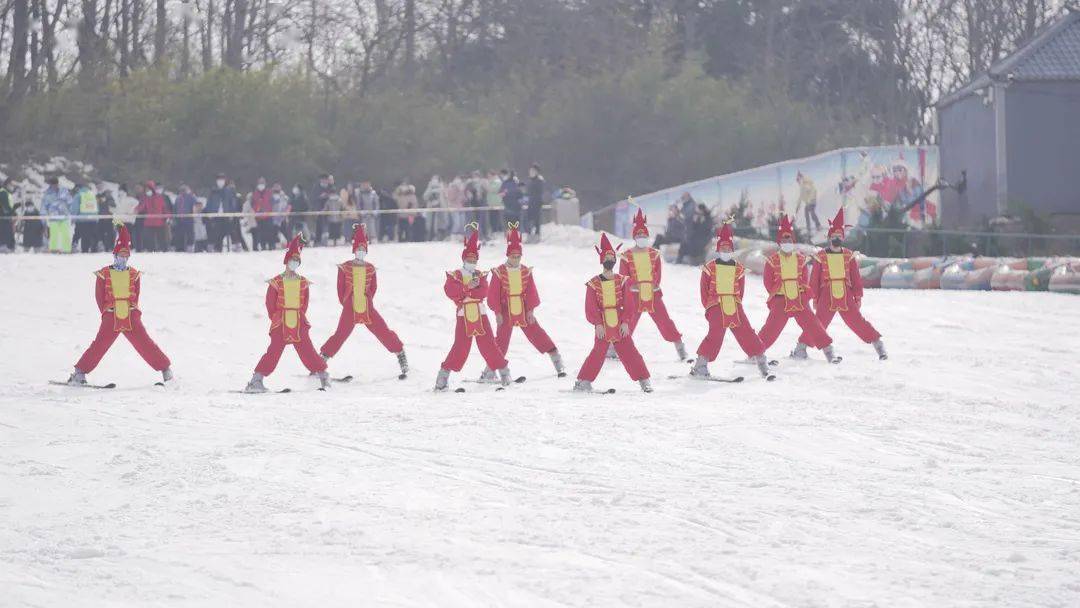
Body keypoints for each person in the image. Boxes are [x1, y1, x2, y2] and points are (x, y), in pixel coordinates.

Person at [66, 223, 173, 386]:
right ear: (115, 255)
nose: (123, 259)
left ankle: (165, 369)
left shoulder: (134, 273)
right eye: (121, 255)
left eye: (126, 256)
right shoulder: (104, 273)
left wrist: (132, 311)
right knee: (100, 345)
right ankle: (79, 372)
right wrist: (106, 312)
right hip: (111, 315)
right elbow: (99, 296)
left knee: (145, 343)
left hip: (130, 315)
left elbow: (136, 295)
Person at [794, 209, 887, 360]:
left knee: (857, 321)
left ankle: (878, 345)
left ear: (842, 237)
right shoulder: (821, 257)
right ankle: (801, 348)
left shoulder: (848, 256)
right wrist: (814, 297)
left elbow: (856, 278)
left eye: (839, 235)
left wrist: (857, 295)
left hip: (846, 294)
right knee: (818, 324)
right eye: (833, 236)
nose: (836, 238)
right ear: (829, 237)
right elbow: (815, 279)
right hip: (826, 295)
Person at [319, 223, 409, 376]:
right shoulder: (345, 267)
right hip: (350, 307)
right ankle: (320, 361)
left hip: (367, 307)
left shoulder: (370, 268)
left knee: (383, 331)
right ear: (354, 250)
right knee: (340, 335)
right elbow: (340, 289)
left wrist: (367, 301)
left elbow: (373, 288)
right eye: (358, 249)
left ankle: (400, 354)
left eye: (363, 249)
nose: (361, 252)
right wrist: (347, 303)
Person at [245, 234, 330, 393]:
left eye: (297, 260)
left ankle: (324, 376)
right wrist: (277, 318)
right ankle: (256, 380)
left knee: (308, 351)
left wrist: (298, 316)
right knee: (273, 352)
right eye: (292, 259)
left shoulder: (303, 282)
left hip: (298, 322)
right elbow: (270, 304)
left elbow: (304, 303)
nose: (294, 263)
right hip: (281, 323)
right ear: (286, 261)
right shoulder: (276, 282)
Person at [690, 221, 775, 381]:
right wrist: (709, 307)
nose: (725, 250)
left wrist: (736, 303)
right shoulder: (710, 267)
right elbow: (704, 290)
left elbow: (741, 290)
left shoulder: (738, 268)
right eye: (723, 248)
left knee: (747, 333)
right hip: (716, 305)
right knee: (715, 335)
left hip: (734, 305)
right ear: (718, 249)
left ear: (732, 249)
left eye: (728, 248)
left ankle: (763, 364)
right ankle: (700, 365)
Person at [480, 222, 564, 381]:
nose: (516, 259)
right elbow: (493, 294)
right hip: (505, 311)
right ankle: (489, 371)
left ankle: (557, 360)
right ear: (508, 256)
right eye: (513, 256)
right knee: (501, 341)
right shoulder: (499, 272)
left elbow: (531, 291)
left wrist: (531, 310)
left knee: (537, 334)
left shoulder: (525, 271)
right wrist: (497, 312)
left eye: (518, 256)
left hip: (523, 309)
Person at [435, 230, 514, 391]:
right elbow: (450, 291)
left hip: (480, 313)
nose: (472, 261)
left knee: (489, 345)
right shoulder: (454, 275)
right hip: (463, 315)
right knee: (460, 347)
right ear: (464, 259)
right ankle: (443, 376)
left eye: (474, 259)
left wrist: (465, 292)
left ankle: (504, 372)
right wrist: (468, 288)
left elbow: (483, 292)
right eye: (469, 259)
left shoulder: (481, 275)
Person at [574, 233, 652, 393]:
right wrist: (597, 324)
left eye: (612, 256)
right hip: (602, 323)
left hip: (619, 322)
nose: (610, 259)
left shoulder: (622, 280)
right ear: (602, 259)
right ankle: (583, 382)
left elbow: (629, 304)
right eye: (607, 256)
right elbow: (591, 306)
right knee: (598, 353)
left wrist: (625, 321)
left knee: (630, 351)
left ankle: (644, 381)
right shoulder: (593, 283)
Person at [755, 215, 839, 362]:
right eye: (784, 240)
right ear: (779, 242)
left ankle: (829, 352)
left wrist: (802, 294)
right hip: (781, 300)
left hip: (799, 299)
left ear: (793, 241)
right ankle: (755, 353)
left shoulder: (800, 258)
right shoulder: (772, 260)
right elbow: (768, 282)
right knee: (771, 328)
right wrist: (777, 294)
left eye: (789, 240)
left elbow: (804, 278)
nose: (786, 243)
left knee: (813, 325)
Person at [619, 209, 688, 361]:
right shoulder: (626, 255)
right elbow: (623, 276)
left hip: (652, 294)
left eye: (644, 235)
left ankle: (680, 347)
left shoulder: (654, 254)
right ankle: (616, 348)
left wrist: (652, 283)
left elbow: (657, 273)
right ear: (634, 237)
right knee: (627, 321)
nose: (641, 237)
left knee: (665, 321)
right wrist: (633, 284)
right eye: (639, 235)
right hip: (634, 295)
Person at [136, 181, 170, 252]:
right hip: (149, 222)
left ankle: (164, 250)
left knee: (161, 238)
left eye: (148, 189)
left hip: (159, 221)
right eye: (146, 190)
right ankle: (151, 250)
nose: (147, 191)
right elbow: (141, 207)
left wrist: (167, 217)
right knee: (149, 238)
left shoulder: (160, 197)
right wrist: (136, 209)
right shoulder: (145, 198)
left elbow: (164, 208)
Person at [42, 176, 73, 253]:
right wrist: (43, 217)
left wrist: (70, 212)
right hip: (53, 217)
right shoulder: (47, 193)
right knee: (54, 234)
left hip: (64, 216)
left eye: (55, 184)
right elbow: (44, 206)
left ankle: (66, 250)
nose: (54, 186)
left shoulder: (64, 191)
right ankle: (53, 249)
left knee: (65, 234)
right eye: (52, 184)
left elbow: (70, 202)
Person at [203, 173, 232, 251]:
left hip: (226, 214)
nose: (221, 181)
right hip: (215, 215)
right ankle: (216, 248)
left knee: (224, 232)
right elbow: (209, 202)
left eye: (222, 180)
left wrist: (231, 213)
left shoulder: (228, 190)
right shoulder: (213, 191)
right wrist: (209, 213)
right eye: (219, 180)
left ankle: (219, 247)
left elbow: (232, 202)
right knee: (216, 232)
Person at [72, 182, 99, 253]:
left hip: (82, 219)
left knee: (83, 236)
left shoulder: (78, 195)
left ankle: (85, 250)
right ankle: (94, 249)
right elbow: (97, 207)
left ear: (77, 189)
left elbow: (75, 208)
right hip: (93, 219)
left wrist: (73, 218)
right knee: (92, 235)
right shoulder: (92, 195)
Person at [171, 184, 197, 252]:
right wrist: (174, 217)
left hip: (188, 219)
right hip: (179, 219)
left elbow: (195, 207)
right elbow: (175, 208)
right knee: (179, 235)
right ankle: (180, 248)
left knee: (190, 234)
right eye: (181, 190)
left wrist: (193, 216)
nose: (182, 192)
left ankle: (190, 247)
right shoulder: (178, 198)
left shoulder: (191, 197)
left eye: (184, 190)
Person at [250, 177, 274, 251]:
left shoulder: (269, 192)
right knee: (261, 233)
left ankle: (271, 246)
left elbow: (272, 203)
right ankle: (263, 246)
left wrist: (268, 210)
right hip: (259, 216)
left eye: (262, 183)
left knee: (269, 232)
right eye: (260, 183)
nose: (261, 185)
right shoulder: (254, 193)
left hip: (268, 215)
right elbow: (253, 204)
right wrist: (257, 209)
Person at [312, 173, 334, 246]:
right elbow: (313, 198)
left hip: (329, 209)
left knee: (330, 225)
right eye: (323, 179)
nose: (324, 181)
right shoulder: (316, 187)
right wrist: (320, 197)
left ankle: (330, 240)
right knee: (319, 226)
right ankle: (317, 241)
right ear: (320, 180)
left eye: (326, 179)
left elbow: (334, 195)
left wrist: (328, 196)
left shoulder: (331, 187)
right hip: (319, 209)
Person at [525, 163, 546, 237]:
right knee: (529, 219)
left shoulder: (539, 180)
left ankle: (537, 235)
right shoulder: (530, 180)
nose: (530, 172)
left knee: (537, 220)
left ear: (536, 171)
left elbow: (540, 192)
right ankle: (529, 235)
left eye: (532, 171)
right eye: (530, 171)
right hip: (530, 202)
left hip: (537, 202)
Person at [95, 183, 116, 252]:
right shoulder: (98, 196)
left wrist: (107, 201)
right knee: (100, 233)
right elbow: (97, 204)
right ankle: (103, 246)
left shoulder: (109, 197)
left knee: (110, 233)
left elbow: (113, 205)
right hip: (101, 217)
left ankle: (110, 247)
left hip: (108, 218)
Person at [0, 177, 15, 252]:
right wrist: (12, 213)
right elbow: (5, 206)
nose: (12, 186)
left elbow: (9, 205)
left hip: (7, 216)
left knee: (8, 231)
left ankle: (9, 247)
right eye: (11, 184)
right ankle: (3, 246)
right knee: (4, 231)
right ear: (7, 184)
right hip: (3, 217)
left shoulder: (7, 193)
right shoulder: (3, 192)